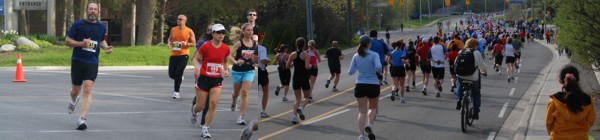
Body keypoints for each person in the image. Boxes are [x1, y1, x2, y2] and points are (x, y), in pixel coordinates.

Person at [65, 2, 113, 130]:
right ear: (87, 11)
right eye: (90, 9)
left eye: (95, 9)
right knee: (75, 90)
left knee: (88, 88)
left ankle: (82, 119)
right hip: (78, 61)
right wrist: (81, 44)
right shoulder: (77, 24)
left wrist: (106, 47)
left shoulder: (101, 27)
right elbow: (67, 41)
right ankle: (73, 100)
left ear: (98, 12)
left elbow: (101, 40)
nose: (93, 11)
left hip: (92, 62)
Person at [190, 23, 230, 138]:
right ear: (213, 33)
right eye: (218, 32)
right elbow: (196, 59)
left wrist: (227, 70)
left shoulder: (226, 48)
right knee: (200, 106)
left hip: (217, 79)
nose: (221, 35)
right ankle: (194, 111)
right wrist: (197, 68)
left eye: (223, 33)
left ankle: (205, 128)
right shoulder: (206, 46)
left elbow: (225, 62)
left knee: (213, 104)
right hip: (204, 78)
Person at [545, 65, 596, 140]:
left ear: (560, 81)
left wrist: (553, 134)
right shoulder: (587, 100)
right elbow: (591, 121)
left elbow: (548, 123)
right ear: (577, 80)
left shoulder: (555, 101)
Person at [349, 35, 382, 140]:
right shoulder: (374, 55)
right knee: (372, 108)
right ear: (369, 44)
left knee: (362, 111)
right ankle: (370, 125)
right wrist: (378, 72)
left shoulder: (356, 56)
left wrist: (360, 68)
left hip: (360, 84)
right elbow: (378, 67)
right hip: (373, 84)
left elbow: (350, 72)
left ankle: (361, 135)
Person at [227, 23, 258, 125]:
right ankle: (234, 99)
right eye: (248, 30)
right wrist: (236, 62)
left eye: (252, 30)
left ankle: (241, 117)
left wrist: (257, 62)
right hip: (237, 71)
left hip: (249, 70)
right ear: (243, 31)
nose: (250, 32)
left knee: (244, 92)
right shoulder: (239, 43)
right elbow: (229, 56)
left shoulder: (255, 44)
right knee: (237, 93)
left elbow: (257, 57)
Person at [454, 38, 488, 120]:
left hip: (461, 75)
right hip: (473, 77)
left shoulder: (461, 51)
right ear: (474, 45)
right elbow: (483, 66)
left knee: (459, 85)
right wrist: (484, 72)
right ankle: (476, 112)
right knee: (476, 93)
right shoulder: (476, 53)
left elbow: (455, 63)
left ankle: (459, 99)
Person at [167, 15, 196, 99]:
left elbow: (194, 43)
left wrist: (186, 44)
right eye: (177, 19)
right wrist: (169, 43)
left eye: (180, 19)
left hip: (184, 54)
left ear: (185, 21)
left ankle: (176, 92)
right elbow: (169, 39)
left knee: (179, 71)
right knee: (172, 75)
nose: (178, 20)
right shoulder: (173, 29)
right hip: (174, 54)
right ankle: (179, 78)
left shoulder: (189, 31)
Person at [192, 23, 213, 127]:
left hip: (213, 75)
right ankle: (195, 105)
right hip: (201, 71)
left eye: (212, 30)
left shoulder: (219, 44)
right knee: (201, 99)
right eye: (209, 30)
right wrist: (198, 67)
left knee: (209, 98)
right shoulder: (203, 43)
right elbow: (194, 57)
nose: (210, 32)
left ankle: (203, 121)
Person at [286, 37, 311, 124]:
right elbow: (306, 67)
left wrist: (294, 64)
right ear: (304, 45)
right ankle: (301, 107)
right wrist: (311, 66)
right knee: (307, 97)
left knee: (297, 99)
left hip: (296, 77)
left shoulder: (292, 54)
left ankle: (294, 117)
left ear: (296, 45)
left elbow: (287, 66)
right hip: (304, 77)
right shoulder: (305, 55)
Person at [257, 44, 271, 118]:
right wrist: (268, 60)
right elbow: (263, 60)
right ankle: (263, 110)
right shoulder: (262, 48)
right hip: (261, 71)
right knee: (265, 91)